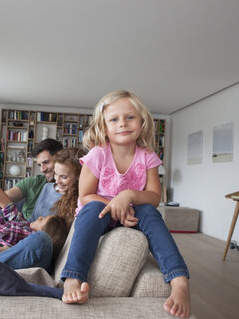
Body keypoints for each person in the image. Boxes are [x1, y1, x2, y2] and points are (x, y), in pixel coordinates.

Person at [60, 90, 191, 318]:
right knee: (90, 209)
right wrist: (114, 205)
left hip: (133, 211)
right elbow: (85, 195)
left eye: (130, 117)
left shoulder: (148, 155)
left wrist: (128, 195)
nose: (123, 124)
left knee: (150, 213)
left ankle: (180, 282)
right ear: (104, 126)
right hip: (99, 210)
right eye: (114, 119)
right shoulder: (97, 155)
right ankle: (73, 278)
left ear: (142, 122)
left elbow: (153, 196)